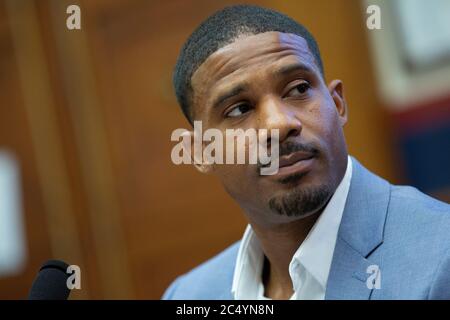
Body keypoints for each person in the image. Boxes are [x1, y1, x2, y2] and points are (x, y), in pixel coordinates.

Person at [163, 5, 450, 300]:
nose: (278, 124)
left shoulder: (441, 259)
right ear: (201, 151)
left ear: (338, 104)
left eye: (298, 89)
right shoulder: (189, 296)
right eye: (239, 109)